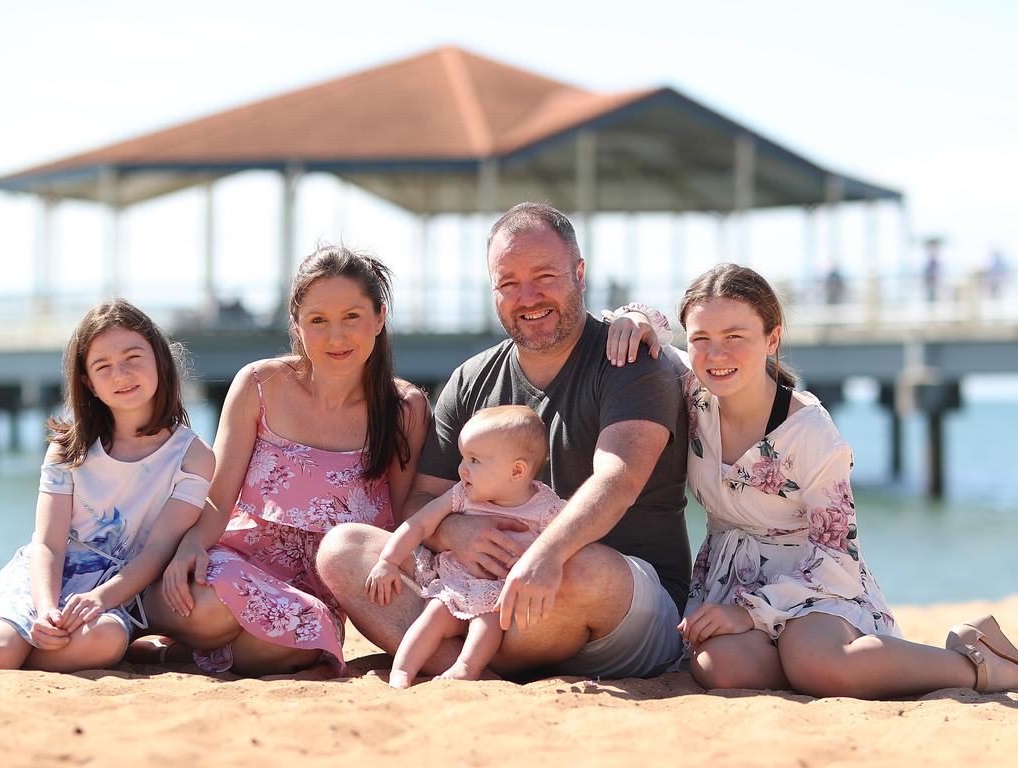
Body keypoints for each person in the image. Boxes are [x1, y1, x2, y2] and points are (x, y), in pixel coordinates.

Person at [317, 202, 691, 681]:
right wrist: (454, 532)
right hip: (486, 598)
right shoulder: (472, 379)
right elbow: (421, 500)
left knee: (585, 569)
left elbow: (616, 479)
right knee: (344, 548)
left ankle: (460, 662)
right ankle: (480, 669)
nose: (528, 297)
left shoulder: (631, 361)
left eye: (545, 276)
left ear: (579, 273)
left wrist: (546, 555)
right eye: (509, 283)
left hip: (615, 610)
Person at [609, 263, 1018, 697]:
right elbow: (646, 330)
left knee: (817, 664)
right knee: (720, 668)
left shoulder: (812, 433)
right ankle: (820, 664)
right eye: (701, 339)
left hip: (815, 581)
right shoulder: (691, 391)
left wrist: (751, 614)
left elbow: (837, 554)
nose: (716, 354)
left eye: (735, 337)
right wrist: (637, 319)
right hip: (731, 578)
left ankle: (973, 662)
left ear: (772, 338)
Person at [143, 246, 429, 676]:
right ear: (297, 325)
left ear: (379, 317)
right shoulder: (261, 384)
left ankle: (173, 657)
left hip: (319, 588)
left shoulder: (404, 407)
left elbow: (406, 515)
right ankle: (151, 619)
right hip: (241, 559)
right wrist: (191, 546)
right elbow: (219, 498)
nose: (337, 338)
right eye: (318, 321)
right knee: (209, 610)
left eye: (352, 317)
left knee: (306, 636)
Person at [0, 300, 214, 672]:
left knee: (105, 641)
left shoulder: (192, 456)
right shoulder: (68, 448)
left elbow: (157, 550)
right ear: (88, 383)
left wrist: (99, 598)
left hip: (115, 586)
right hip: (45, 575)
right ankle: (21, 646)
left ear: (160, 360)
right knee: (1, 648)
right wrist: (47, 608)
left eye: (133, 357)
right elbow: (48, 541)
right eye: (103, 366)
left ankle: (28, 653)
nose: (121, 374)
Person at [366, 405, 563, 687]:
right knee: (432, 617)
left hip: (498, 595)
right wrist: (388, 561)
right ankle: (402, 671)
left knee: (487, 624)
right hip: (455, 583)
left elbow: (566, 543)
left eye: (474, 460)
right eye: (463, 457)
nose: (461, 469)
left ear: (516, 470)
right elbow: (419, 524)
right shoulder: (462, 495)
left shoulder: (546, 508)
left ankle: (466, 667)